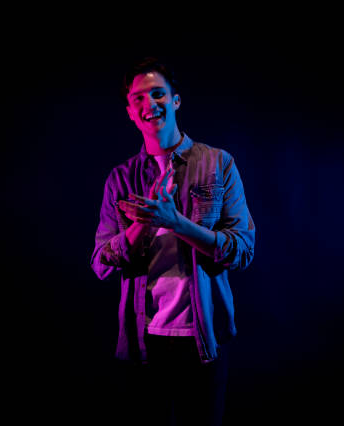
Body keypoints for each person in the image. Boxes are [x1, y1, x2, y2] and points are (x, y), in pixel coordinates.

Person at [90, 57, 255, 426]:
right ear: (131, 113)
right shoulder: (120, 179)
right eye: (139, 100)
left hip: (204, 339)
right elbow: (101, 262)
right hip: (143, 344)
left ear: (176, 100)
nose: (150, 105)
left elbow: (242, 249)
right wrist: (142, 226)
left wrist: (175, 222)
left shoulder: (218, 164)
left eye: (158, 94)